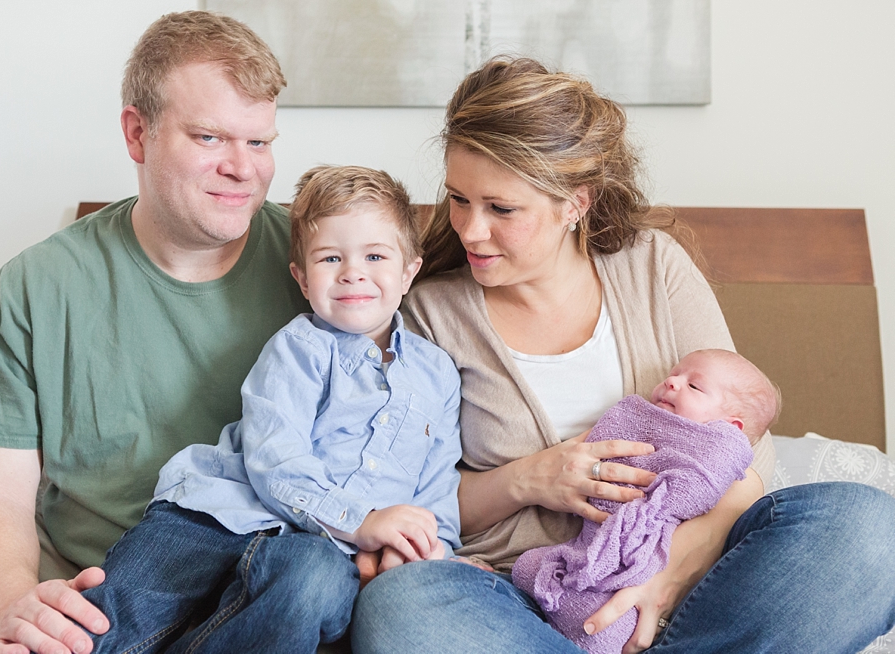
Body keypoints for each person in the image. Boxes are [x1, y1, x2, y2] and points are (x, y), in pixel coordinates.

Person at [351, 56, 895, 654]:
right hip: (521, 595)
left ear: (574, 204)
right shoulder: (428, 314)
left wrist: (666, 575)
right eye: (458, 199)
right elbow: (406, 493)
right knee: (404, 607)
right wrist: (530, 479)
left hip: (695, 584)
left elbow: (744, 449)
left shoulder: (654, 266)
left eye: (501, 208)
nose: (469, 230)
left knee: (869, 529)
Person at [0, 11, 311, 654]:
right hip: (80, 581)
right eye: (210, 138)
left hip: (254, 582)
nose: (244, 169)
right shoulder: (37, 283)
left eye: (260, 143)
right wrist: (15, 603)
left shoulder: (322, 266)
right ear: (138, 133)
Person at [79, 165, 462, 653]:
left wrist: (431, 548)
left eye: (374, 255)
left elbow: (437, 485)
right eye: (330, 258)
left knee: (311, 590)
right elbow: (274, 458)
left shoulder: (438, 374)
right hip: (216, 515)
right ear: (302, 279)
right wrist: (363, 520)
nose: (353, 272)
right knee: (115, 618)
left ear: (410, 271)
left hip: (318, 550)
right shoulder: (298, 348)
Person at [512, 349, 780, 654]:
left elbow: (693, 491)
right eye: (674, 374)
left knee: (604, 625)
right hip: (585, 542)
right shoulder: (640, 420)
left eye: (694, 386)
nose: (671, 381)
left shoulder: (717, 453)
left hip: (647, 559)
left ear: (731, 429)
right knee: (526, 567)